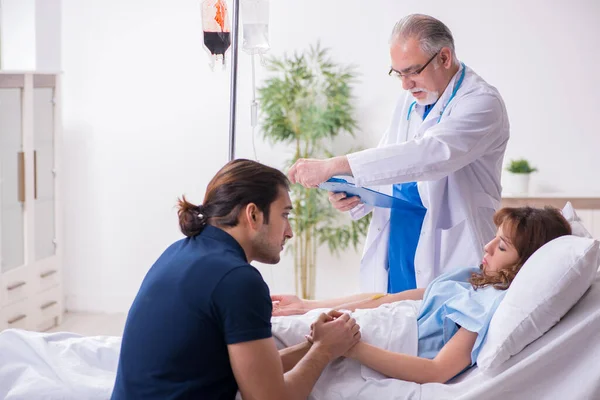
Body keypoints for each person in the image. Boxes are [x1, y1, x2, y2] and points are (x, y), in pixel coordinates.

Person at [287, 14, 510, 294]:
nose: (405, 84)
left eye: (413, 71)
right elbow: (390, 158)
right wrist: (355, 191)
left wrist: (336, 164)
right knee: (393, 323)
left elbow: (430, 156)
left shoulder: (481, 102)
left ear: (444, 57)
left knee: (438, 329)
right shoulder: (410, 99)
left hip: (451, 247)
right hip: (400, 242)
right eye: (399, 73)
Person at [111, 159, 361, 400]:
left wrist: (314, 345)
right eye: (284, 215)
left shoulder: (179, 252)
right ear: (252, 215)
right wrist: (324, 350)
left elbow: (246, 370)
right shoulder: (237, 281)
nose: (290, 232)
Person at [272, 206, 571, 383]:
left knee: (270, 343)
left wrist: (350, 347)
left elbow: (438, 370)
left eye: (502, 247)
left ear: (524, 263)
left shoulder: (487, 303)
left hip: (375, 338)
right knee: (277, 333)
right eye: (494, 239)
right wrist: (307, 305)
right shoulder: (470, 276)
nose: (487, 247)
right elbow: (388, 299)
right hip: (369, 321)